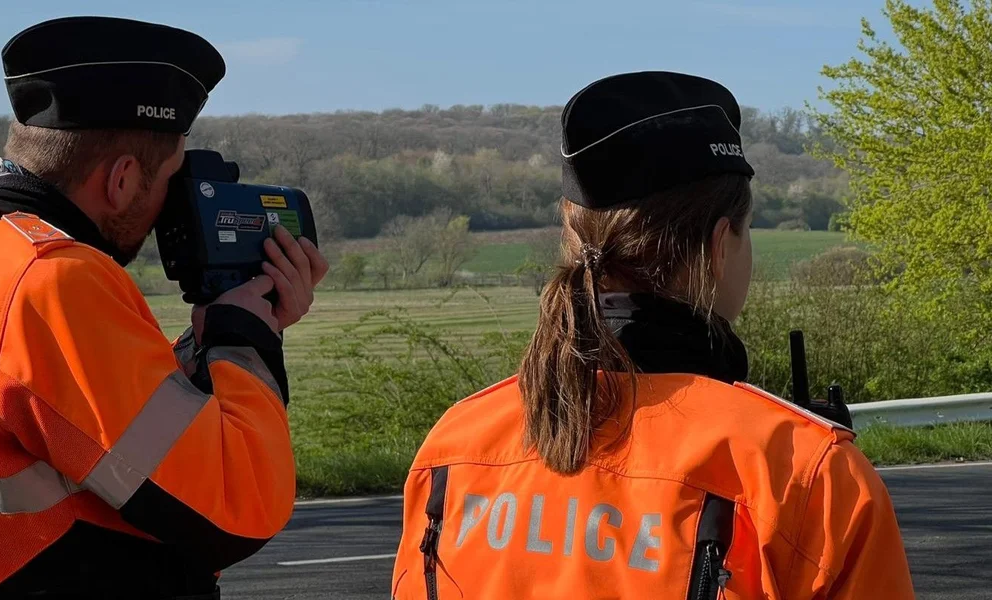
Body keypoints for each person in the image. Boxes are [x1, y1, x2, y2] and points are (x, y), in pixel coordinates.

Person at [0, 16, 327, 600]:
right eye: (169, 180)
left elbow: (92, 431)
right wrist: (246, 340)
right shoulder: (53, 281)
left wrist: (208, 334)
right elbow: (236, 505)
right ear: (123, 179)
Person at [390, 72, 914, 599]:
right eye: (747, 228)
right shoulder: (806, 474)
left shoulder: (455, 444)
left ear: (573, 241)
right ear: (719, 245)